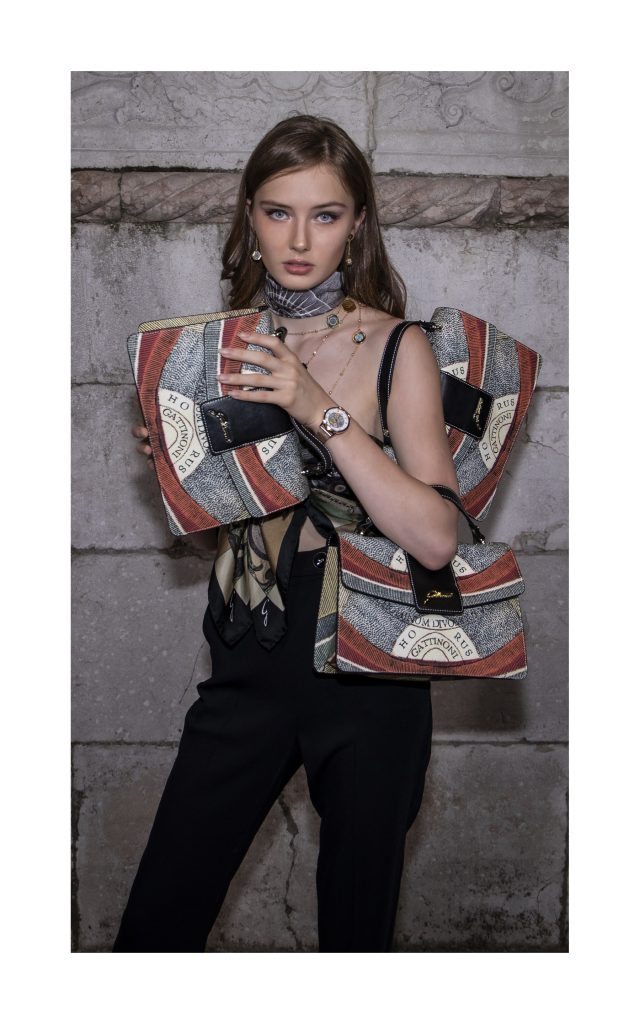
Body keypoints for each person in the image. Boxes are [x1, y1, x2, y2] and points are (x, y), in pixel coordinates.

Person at [114, 115, 460, 953]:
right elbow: (216, 545)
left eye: (325, 214)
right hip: (250, 651)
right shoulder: (217, 348)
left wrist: (317, 408)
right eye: (278, 212)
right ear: (249, 217)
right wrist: (185, 476)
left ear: (358, 224)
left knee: (354, 936)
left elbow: (437, 539)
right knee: (156, 927)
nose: (300, 240)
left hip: (368, 666)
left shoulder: (398, 346)